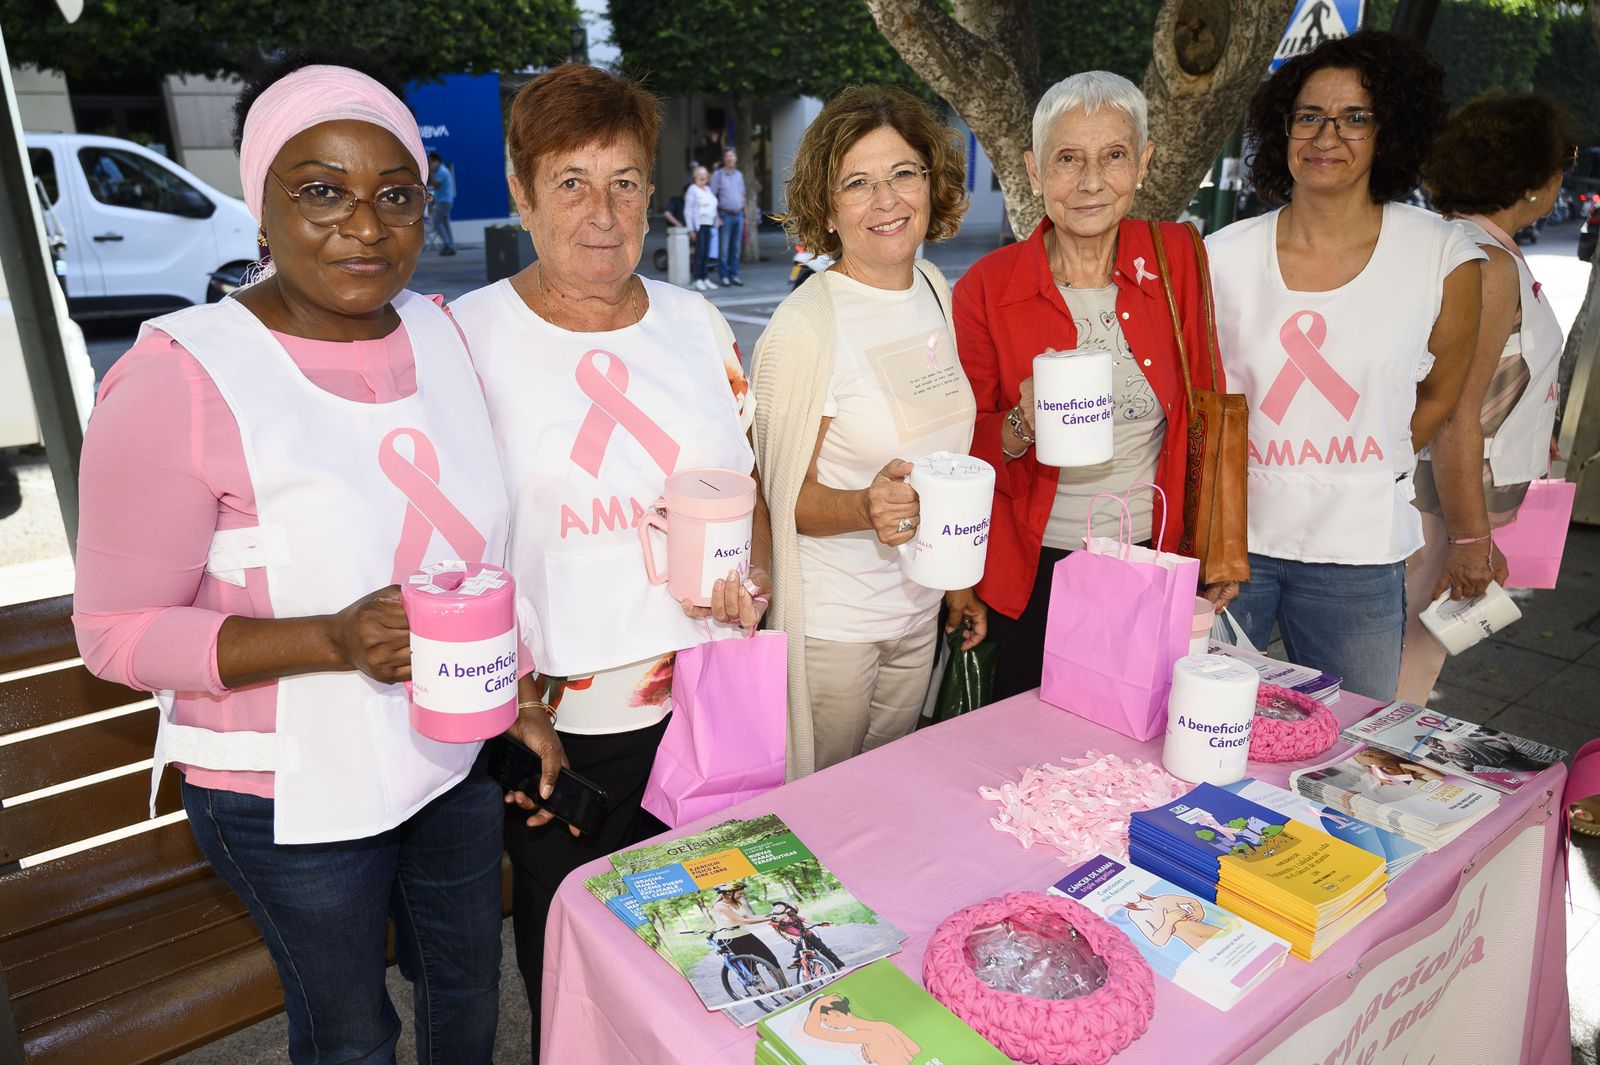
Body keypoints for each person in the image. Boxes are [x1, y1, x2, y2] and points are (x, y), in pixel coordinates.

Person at [70, 54, 550, 1063]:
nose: (364, 226)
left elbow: (479, 544)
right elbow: (115, 635)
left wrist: (524, 698)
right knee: (347, 1034)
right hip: (285, 792)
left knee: (467, 983)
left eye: (395, 195)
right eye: (321, 191)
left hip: (451, 756)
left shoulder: (439, 330)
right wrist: (332, 637)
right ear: (260, 208)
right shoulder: (180, 378)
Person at [448, 63, 771, 1059]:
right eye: (571, 182)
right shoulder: (464, 340)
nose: (602, 211)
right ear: (520, 191)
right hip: (555, 730)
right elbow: (443, 548)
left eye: (625, 180)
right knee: (575, 967)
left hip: (706, 702)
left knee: (710, 951)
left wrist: (748, 578)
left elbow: (744, 480)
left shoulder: (695, 324)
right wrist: (510, 705)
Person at [1206, 31, 1486, 702]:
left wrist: (1361, 466)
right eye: (1309, 115)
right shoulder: (1221, 256)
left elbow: (1443, 394)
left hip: (1359, 552)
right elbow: (1203, 403)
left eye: (1355, 117)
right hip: (1232, 543)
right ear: (1283, 129)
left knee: (1350, 740)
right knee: (1201, 722)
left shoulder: (1441, 256)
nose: (1327, 135)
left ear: (1388, 132)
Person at [954, 71, 1233, 703]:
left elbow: (1205, 411)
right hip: (1036, 566)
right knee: (1026, 751)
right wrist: (1022, 424)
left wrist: (1215, 549)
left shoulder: (1177, 258)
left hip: (1149, 559)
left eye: (1113, 156)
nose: (1090, 181)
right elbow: (960, 446)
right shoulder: (987, 287)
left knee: (1135, 741)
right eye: (1068, 159)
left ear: (1143, 163)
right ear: (1033, 169)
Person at [751, 85, 985, 777]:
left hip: (916, 611)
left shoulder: (936, 289)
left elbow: (935, 449)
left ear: (930, 182)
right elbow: (778, 495)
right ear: (828, 207)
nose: (886, 201)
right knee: (820, 817)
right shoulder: (806, 327)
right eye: (858, 182)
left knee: (887, 798)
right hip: (835, 633)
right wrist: (862, 507)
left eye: (902, 173)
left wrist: (955, 583)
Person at [1396, 94, 1574, 703]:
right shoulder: (1489, 262)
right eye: (1564, 160)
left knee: (1406, 655)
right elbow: (1456, 414)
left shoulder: (1463, 245)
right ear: (1531, 179)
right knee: (1407, 667)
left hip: (1448, 489)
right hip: (1450, 495)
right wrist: (1473, 543)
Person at [708, 882, 784, 977]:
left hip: (745, 934)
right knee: (750, 965)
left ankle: (786, 988)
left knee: (770, 959)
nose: (742, 895)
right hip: (730, 939)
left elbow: (747, 916)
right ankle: (763, 988)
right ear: (728, 893)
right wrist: (770, 919)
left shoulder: (735, 903)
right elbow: (744, 921)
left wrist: (770, 915)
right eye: (739, 893)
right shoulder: (720, 906)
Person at [768, 899, 846, 969]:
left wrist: (821, 923)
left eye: (779, 906)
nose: (776, 907)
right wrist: (790, 937)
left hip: (808, 935)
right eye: (775, 907)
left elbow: (808, 921)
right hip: (797, 939)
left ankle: (840, 966)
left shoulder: (794, 916)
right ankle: (799, 959)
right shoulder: (775, 920)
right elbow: (782, 932)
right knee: (806, 952)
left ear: (787, 907)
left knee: (825, 950)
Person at [712, 146, 747, 286]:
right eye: (728, 156)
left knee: (736, 249)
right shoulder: (718, 175)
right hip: (724, 216)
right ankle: (724, 276)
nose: (730, 158)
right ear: (724, 159)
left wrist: (745, 216)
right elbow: (712, 196)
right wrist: (716, 217)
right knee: (724, 249)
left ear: (735, 158)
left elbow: (742, 196)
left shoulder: (739, 175)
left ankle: (734, 275)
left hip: (738, 216)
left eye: (732, 156)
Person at [685, 164, 720, 291]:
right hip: (698, 227)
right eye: (700, 175)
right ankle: (698, 279)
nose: (703, 177)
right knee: (699, 254)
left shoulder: (708, 189)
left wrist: (717, 219)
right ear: (695, 177)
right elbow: (688, 210)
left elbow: (713, 207)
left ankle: (705, 278)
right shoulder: (693, 189)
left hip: (709, 225)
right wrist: (691, 229)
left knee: (706, 254)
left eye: (705, 174)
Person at [427, 149, 457, 256]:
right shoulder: (441, 171)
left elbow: (436, 185)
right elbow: (439, 191)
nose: (430, 164)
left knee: (436, 222)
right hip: (444, 201)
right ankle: (451, 246)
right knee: (445, 224)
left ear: (437, 161)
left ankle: (448, 245)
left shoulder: (442, 172)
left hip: (444, 202)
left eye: (431, 162)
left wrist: (430, 172)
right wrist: (433, 202)